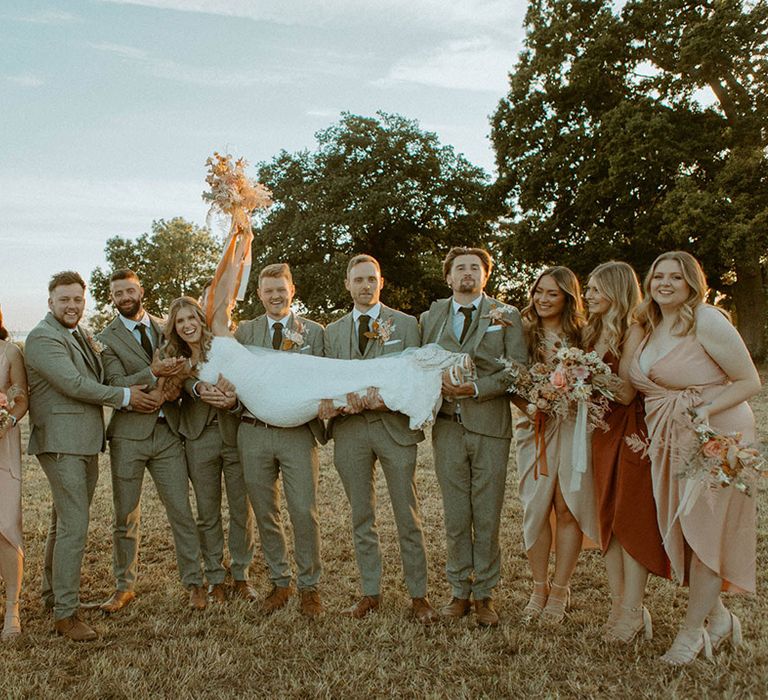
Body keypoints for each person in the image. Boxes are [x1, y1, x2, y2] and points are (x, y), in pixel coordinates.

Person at [629, 251, 761, 665]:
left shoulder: (706, 319)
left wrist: (705, 410)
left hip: (715, 435)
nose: (664, 283)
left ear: (692, 283)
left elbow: (749, 381)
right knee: (683, 531)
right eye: (658, 276)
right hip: (671, 437)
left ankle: (691, 636)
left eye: (675, 277)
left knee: (705, 532)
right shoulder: (652, 326)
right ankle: (720, 620)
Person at [25, 272, 155, 641]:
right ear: (50, 302)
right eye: (64, 300)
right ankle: (66, 615)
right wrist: (128, 398)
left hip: (85, 442)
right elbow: (75, 384)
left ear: (85, 302)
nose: (72, 306)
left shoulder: (81, 334)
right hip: (62, 443)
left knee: (60, 523)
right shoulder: (42, 338)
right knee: (74, 527)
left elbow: (103, 377)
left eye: (77, 300)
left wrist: (153, 371)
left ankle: (51, 595)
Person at [321, 254, 437, 623]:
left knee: (408, 514)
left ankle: (419, 596)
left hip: (395, 430)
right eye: (359, 280)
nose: (365, 286)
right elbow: (326, 379)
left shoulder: (405, 324)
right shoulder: (332, 332)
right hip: (350, 431)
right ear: (347, 284)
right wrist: (341, 402)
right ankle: (370, 592)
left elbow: (415, 375)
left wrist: (381, 399)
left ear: (381, 282)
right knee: (361, 515)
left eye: (372, 279)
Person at [420, 246, 526, 627]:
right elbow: (418, 361)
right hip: (447, 426)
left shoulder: (506, 315)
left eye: (474, 268)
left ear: (485, 276)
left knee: (487, 513)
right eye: (459, 268)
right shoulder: (431, 315)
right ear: (448, 277)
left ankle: (485, 595)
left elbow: (517, 369)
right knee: (454, 514)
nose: (467, 273)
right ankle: (458, 592)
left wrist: (476, 389)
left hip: (490, 426)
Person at [98, 269, 208, 612]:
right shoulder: (105, 337)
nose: (125, 297)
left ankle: (195, 583)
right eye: (118, 293)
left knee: (181, 511)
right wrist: (153, 374)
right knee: (125, 516)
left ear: (140, 290)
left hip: (168, 434)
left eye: (130, 290)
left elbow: (187, 371)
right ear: (112, 298)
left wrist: (170, 388)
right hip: (129, 436)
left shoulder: (168, 326)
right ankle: (124, 586)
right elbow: (117, 381)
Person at [233, 263, 326, 618]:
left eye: (281, 289)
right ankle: (280, 581)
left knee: (304, 511)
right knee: (265, 511)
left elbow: (326, 376)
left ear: (293, 290)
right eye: (268, 290)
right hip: (253, 432)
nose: (275, 295)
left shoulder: (314, 332)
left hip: (297, 434)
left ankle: (309, 587)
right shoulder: (245, 332)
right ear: (259, 294)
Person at [583, 262, 669, 642]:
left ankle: (633, 611)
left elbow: (626, 391)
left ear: (616, 291)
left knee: (630, 519)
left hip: (630, 431)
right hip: (600, 432)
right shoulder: (594, 330)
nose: (588, 296)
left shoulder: (634, 330)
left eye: (596, 290)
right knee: (610, 522)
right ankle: (621, 607)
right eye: (587, 289)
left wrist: (583, 372)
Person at [514, 267, 600, 625]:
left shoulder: (584, 335)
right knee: (535, 507)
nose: (543, 299)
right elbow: (511, 380)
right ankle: (538, 587)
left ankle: (560, 590)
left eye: (552, 293)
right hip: (533, 424)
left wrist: (568, 399)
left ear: (567, 297)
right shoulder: (521, 332)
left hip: (572, 426)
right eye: (539, 291)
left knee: (567, 507)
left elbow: (596, 381)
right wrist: (535, 405)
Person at [171, 297, 257, 602]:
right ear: (175, 327)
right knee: (207, 512)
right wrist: (194, 387)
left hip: (233, 434)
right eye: (180, 321)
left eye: (191, 318)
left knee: (240, 508)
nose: (187, 325)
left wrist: (232, 401)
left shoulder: (224, 347)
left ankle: (241, 575)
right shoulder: (176, 358)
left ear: (201, 320)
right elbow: (178, 385)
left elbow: (247, 381)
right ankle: (215, 577)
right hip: (198, 438)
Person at [0, 307, 28, 641]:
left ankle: (13, 609)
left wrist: (7, 421)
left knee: (6, 525)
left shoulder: (10, 352)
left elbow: (21, 398)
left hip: (3, 445)